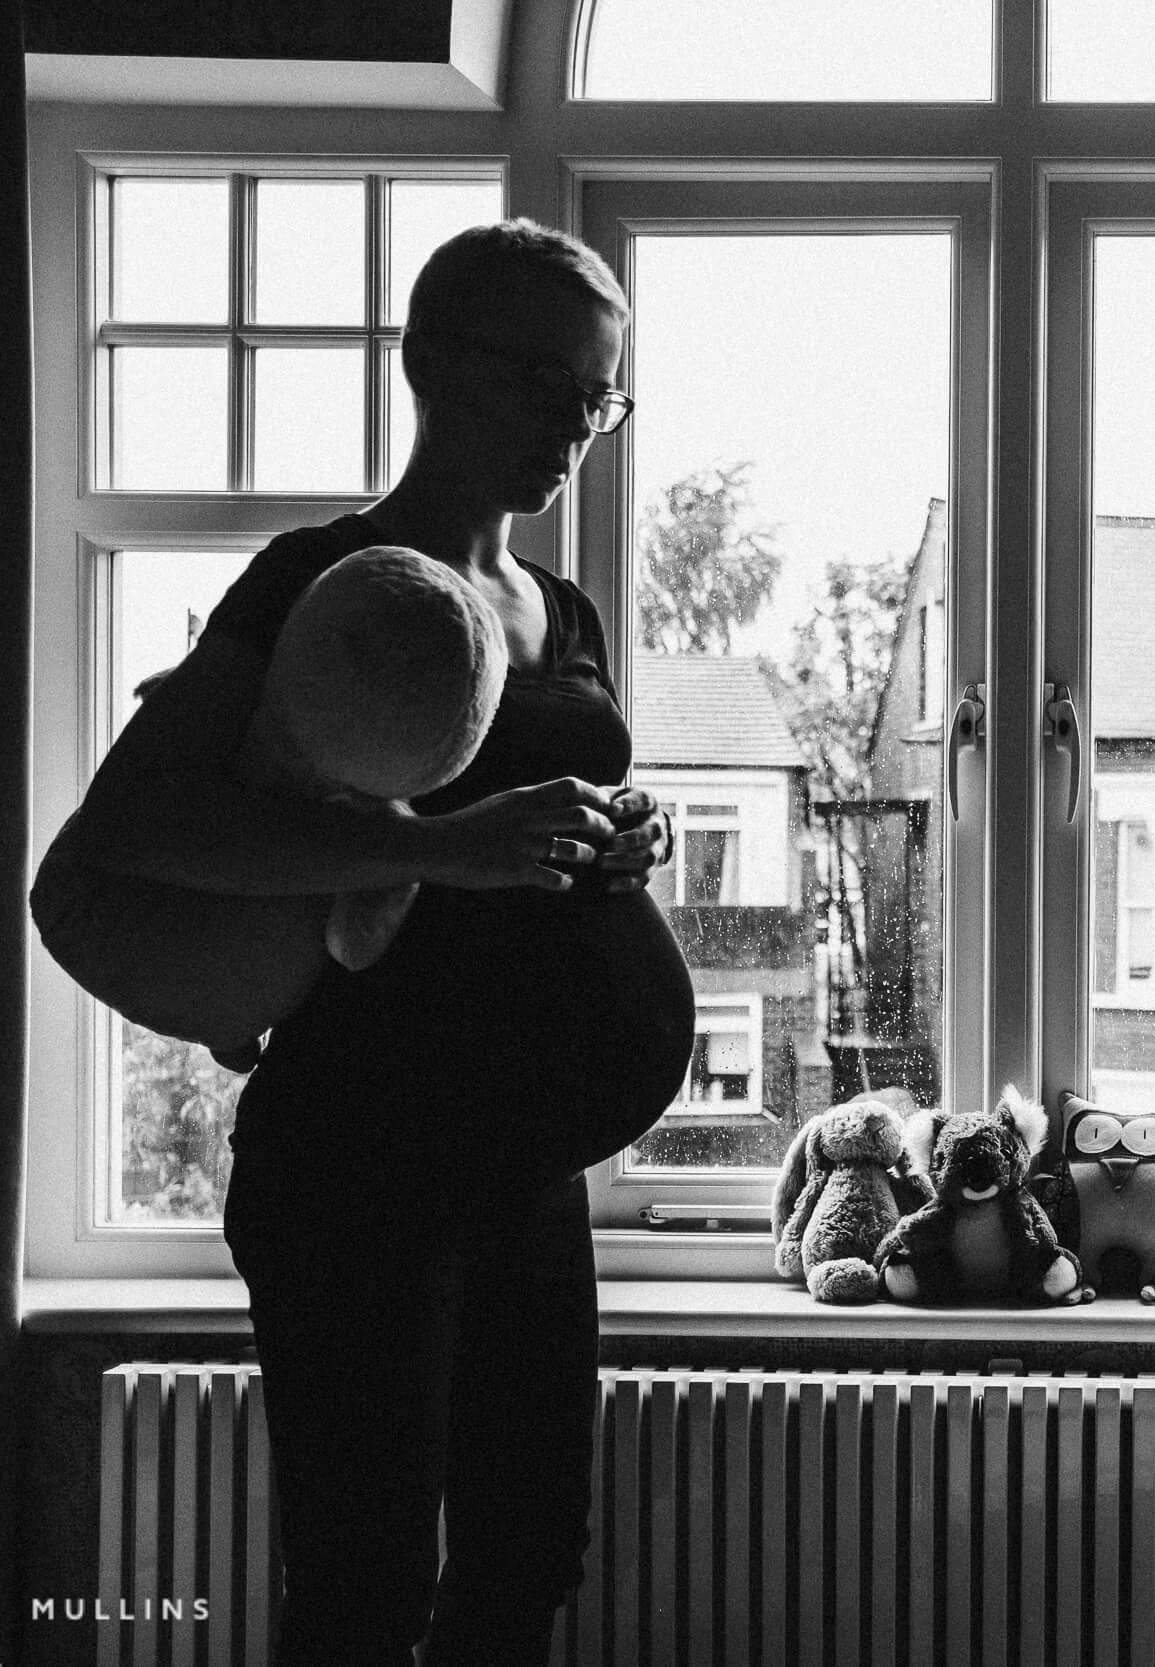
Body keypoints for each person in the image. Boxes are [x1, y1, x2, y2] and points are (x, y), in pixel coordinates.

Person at [73, 220, 694, 1666]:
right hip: (362, 1159)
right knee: (364, 1587)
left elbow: (526, 822)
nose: (572, 428)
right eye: (542, 382)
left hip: (523, 1163)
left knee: (528, 1560)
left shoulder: (562, 607)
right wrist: (436, 847)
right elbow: (140, 824)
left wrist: (618, 835)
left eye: (597, 397)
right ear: (428, 363)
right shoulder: (328, 580)